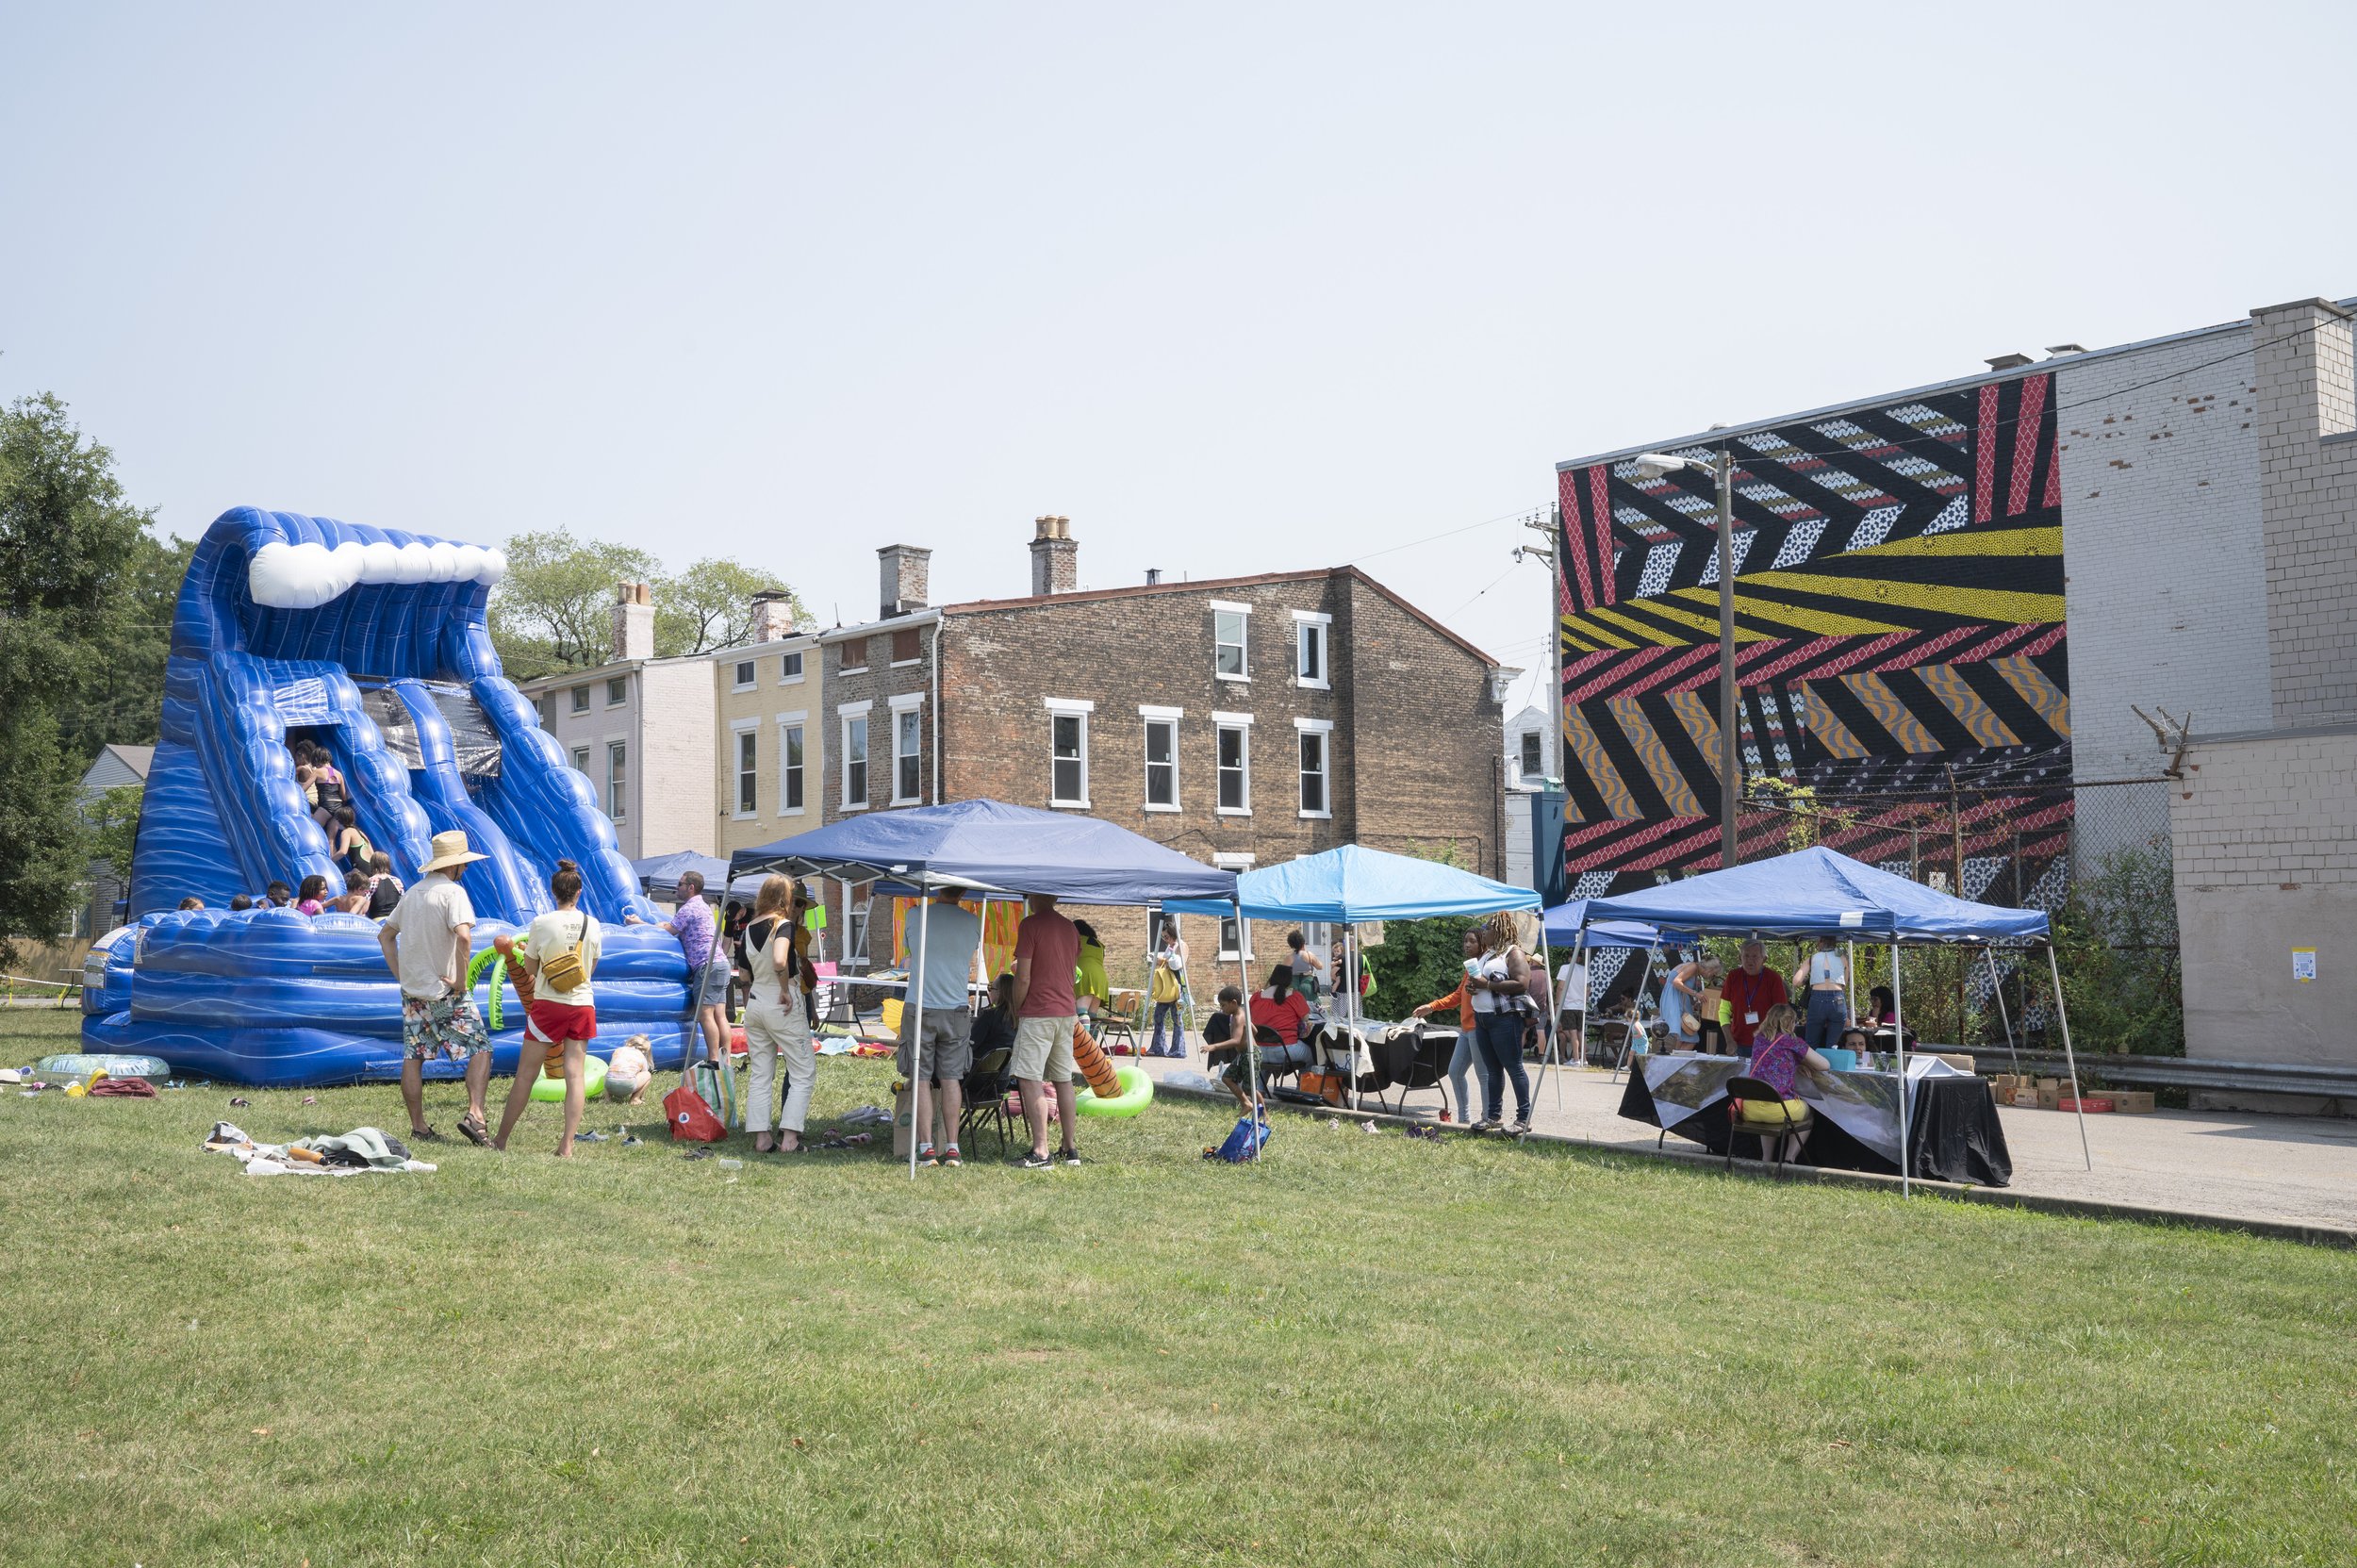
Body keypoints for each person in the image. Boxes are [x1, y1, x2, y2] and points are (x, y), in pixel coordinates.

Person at [377, 830, 494, 1146]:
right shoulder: (452, 893)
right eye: (464, 865)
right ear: (454, 866)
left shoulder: (413, 893)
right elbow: (465, 936)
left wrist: (401, 974)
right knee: (481, 1048)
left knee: (414, 1056)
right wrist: (460, 978)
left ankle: (419, 1128)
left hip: (413, 991)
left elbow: (385, 936)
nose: (466, 870)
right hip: (445, 991)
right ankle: (476, 1115)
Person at [493, 859, 602, 1157]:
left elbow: (529, 967)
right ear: (578, 892)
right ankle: (566, 1144)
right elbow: (590, 967)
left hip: (548, 1005)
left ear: (553, 892)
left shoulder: (541, 923)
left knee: (526, 1074)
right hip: (582, 1004)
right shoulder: (593, 925)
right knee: (575, 1074)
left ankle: (501, 1140)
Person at [903, 883, 981, 1167]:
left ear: (936, 888)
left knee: (921, 1076)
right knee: (951, 1078)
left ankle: (926, 1148)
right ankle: (952, 1147)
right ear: (962, 893)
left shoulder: (915, 915)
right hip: (956, 1008)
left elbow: (910, 951)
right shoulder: (973, 921)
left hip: (920, 1005)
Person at [739, 875, 818, 1154]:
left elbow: (745, 973)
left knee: (761, 1073)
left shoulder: (748, 928)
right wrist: (785, 988)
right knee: (803, 1070)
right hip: (781, 1000)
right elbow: (779, 960)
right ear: (784, 899)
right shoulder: (782, 925)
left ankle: (762, 1139)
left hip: (756, 1002)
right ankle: (790, 1139)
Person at [1007, 892, 1083, 1169]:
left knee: (1029, 1078)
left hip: (1039, 1011)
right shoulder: (1070, 928)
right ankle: (1070, 1148)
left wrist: (1017, 1008)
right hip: (1067, 1011)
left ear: (1032, 895)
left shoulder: (1030, 925)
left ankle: (1041, 1152)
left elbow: (1023, 975)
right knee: (1063, 1079)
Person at [626, 871, 726, 1065]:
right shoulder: (703, 906)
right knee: (719, 1015)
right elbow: (671, 925)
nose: (676, 888)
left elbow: (669, 930)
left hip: (707, 965)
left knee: (705, 1014)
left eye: (680, 884)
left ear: (691, 887)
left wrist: (640, 923)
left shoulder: (690, 907)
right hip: (719, 963)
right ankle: (726, 1060)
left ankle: (714, 1060)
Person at [1464, 912, 1537, 1135]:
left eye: (1487, 929)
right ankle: (1493, 1116)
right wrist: (1473, 987)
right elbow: (1483, 983)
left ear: (1500, 930)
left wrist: (1486, 986)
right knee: (1493, 1070)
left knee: (1514, 1067)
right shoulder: (1490, 955)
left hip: (1504, 1020)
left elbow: (1522, 983)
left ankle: (1523, 1119)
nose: (1484, 932)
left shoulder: (1513, 953)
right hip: (1483, 1018)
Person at [1409, 929, 1486, 1124]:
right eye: (1465, 941)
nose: (1467, 945)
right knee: (1454, 1072)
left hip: (1479, 1029)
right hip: (1466, 1030)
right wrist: (1432, 1006)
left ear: (1482, 944)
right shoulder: (1470, 968)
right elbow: (1458, 995)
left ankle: (1488, 1118)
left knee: (1483, 1075)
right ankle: (1464, 1119)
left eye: (1472, 941)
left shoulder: (1485, 966)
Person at [1740, 1002, 1828, 1164]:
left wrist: (1798, 1064)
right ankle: (1790, 1158)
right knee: (1809, 1112)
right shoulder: (1792, 1041)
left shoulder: (1758, 1039)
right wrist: (1804, 1062)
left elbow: (1777, 1057)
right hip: (1779, 1111)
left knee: (1767, 1104)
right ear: (1790, 1022)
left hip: (1749, 1109)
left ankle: (1766, 1158)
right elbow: (1824, 1065)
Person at [1721, 941, 1789, 1054]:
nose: (1749, 960)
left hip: (1766, 1043)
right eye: (1746, 956)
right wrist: (1729, 1040)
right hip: (1737, 1043)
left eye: (1755, 956)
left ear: (1764, 959)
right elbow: (1723, 1011)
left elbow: (1782, 1012)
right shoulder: (1733, 977)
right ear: (1740, 958)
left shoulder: (1773, 978)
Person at [1797, 936, 1849, 1050]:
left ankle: (1812, 1067)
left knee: (1811, 1043)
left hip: (1817, 999)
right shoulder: (1843, 958)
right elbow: (1845, 982)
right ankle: (1830, 1065)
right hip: (1838, 998)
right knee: (1833, 1045)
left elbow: (1796, 981)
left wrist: (1808, 981)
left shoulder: (1812, 958)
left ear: (1820, 942)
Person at [1146, 917, 1189, 1058]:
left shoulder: (1181, 945)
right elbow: (1166, 963)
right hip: (1166, 986)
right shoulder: (1170, 946)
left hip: (1177, 987)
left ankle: (1178, 1050)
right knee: (1158, 1015)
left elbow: (1177, 964)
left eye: (1167, 936)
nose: (1165, 939)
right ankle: (1158, 1047)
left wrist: (1162, 960)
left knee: (1177, 1018)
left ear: (1173, 933)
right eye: (1163, 937)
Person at [1657, 948, 1704, 1048]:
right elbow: (1676, 982)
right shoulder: (1693, 967)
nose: (1711, 976)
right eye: (1713, 973)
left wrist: (1693, 1001)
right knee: (1688, 1037)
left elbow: (1682, 986)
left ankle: (1675, 1060)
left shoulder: (1693, 968)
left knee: (1683, 1037)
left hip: (1674, 998)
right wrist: (1696, 994)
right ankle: (1676, 1062)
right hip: (1675, 1000)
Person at [1555, 947, 1589, 1066]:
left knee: (1573, 1033)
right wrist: (1584, 1000)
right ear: (1580, 958)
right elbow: (1588, 990)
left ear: (1570, 957)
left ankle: (1576, 1059)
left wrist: (1557, 1004)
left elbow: (1560, 988)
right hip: (1581, 1006)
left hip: (1568, 1005)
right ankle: (1584, 1059)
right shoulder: (1585, 970)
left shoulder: (1565, 968)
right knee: (1581, 1033)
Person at [1071, 919, 1110, 1020]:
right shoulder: (1099, 944)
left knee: (1081, 1013)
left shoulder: (1076, 940)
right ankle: (1092, 1037)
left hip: (1084, 976)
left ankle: (1083, 1036)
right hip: (1101, 978)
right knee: (1092, 1016)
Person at [1687, 957, 1726, 1051]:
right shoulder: (1692, 970)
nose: (1712, 976)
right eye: (1713, 973)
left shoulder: (1695, 972)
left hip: (1714, 1020)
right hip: (1710, 1020)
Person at [328, 805, 371, 872]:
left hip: (361, 867)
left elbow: (343, 852)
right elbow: (371, 852)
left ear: (339, 820)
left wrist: (330, 860)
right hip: (372, 866)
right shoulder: (360, 832)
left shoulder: (346, 832)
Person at [1285, 930, 1324, 1000]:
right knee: (1311, 1006)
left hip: (1293, 985)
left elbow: (1284, 973)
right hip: (1307, 983)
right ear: (1302, 943)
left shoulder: (1289, 957)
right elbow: (1320, 967)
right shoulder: (1309, 955)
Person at [366, 852, 404, 918]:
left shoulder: (370, 881)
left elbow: (365, 904)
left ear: (372, 864)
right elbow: (402, 902)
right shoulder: (397, 880)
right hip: (394, 920)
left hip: (377, 919)